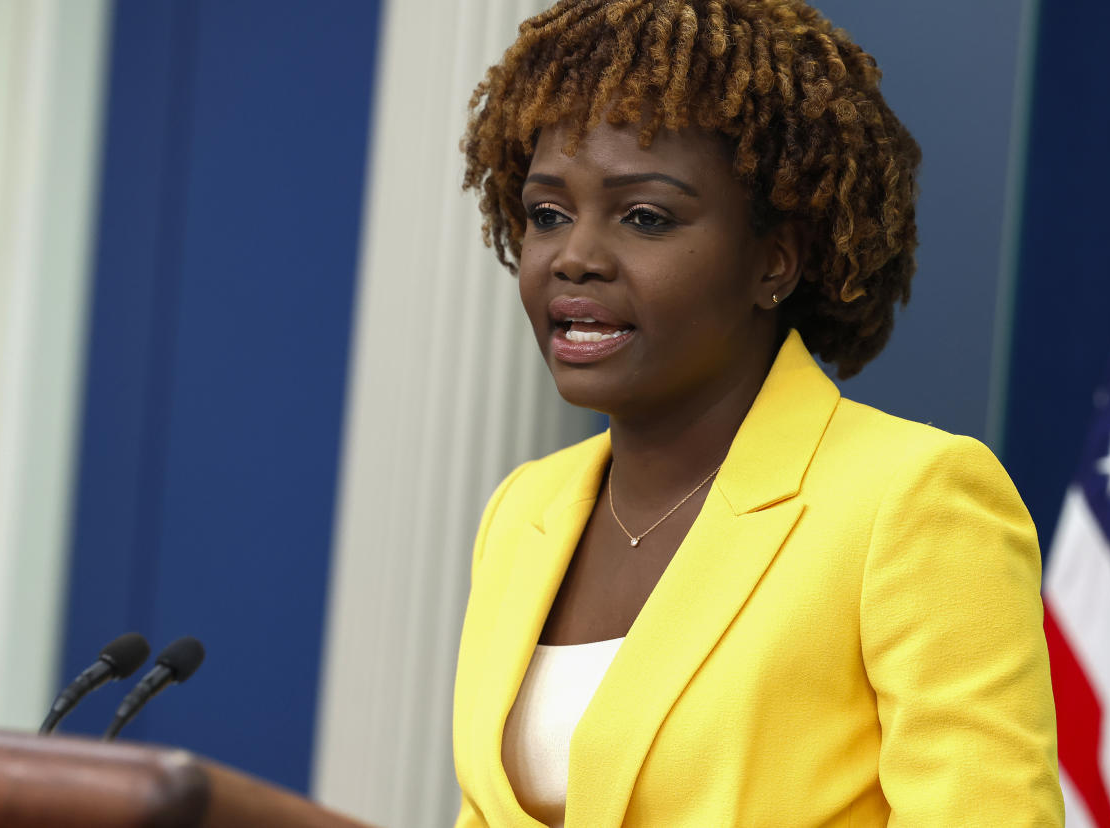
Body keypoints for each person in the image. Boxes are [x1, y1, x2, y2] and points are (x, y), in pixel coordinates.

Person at [452, 1, 1064, 825]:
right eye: (548, 214)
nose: (576, 257)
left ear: (774, 262)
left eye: (644, 217)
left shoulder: (911, 501)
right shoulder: (522, 510)